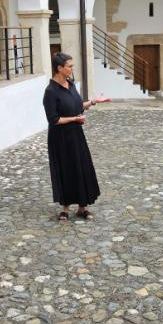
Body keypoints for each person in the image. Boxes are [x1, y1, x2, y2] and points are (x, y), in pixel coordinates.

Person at [42, 52, 110, 221]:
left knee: (81, 167)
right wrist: (74, 119)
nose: (72, 69)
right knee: (65, 169)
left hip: (76, 135)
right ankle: (65, 208)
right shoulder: (50, 92)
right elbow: (54, 119)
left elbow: (78, 106)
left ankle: (82, 207)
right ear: (59, 68)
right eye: (69, 66)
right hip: (60, 138)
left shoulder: (71, 85)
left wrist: (93, 101)